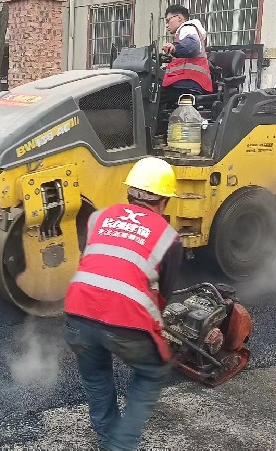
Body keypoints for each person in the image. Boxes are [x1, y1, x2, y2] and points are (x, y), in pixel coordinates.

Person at [63, 156, 184, 451]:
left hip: (77, 311)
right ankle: (121, 446)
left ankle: (108, 441)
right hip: (126, 319)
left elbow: (94, 261)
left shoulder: (98, 217)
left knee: (97, 377)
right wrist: (155, 331)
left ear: (128, 192)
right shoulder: (168, 237)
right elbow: (163, 295)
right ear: (164, 201)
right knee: (153, 371)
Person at [159, 5, 213, 114]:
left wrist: (174, 48)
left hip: (186, 83)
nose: (167, 25)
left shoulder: (187, 28)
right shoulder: (187, 32)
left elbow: (192, 46)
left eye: (168, 20)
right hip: (190, 82)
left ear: (179, 18)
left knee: (152, 98)